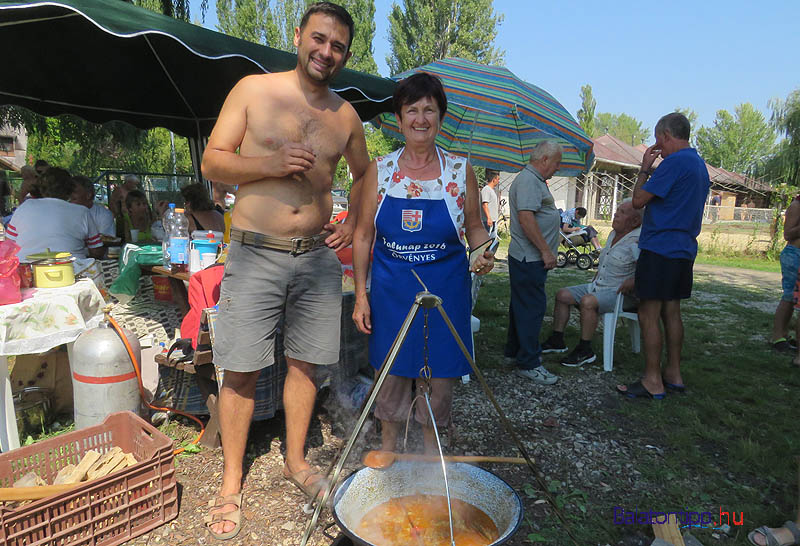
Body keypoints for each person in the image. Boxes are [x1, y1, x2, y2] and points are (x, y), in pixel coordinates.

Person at [199, 2, 370, 539]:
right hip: (255, 250)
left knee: (305, 366)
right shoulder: (254, 90)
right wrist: (267, 164)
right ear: (298, 37)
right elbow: (212, 160)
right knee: (243, 367)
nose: (326, 52)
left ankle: (297, 461)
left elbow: (366, 175)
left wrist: (353, 225)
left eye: (337, 46)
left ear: (344, 54)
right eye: (318, 39)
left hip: (317, 258)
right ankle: (231, 485)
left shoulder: (345, 117)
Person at [352, 73, 494, 455]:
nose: (420, 118)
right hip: (391, 295)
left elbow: (476, 228)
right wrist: (361, 297)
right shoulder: (379, 172)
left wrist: (483, 252)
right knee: (392, 378)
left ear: (440, 118)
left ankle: (433, 460)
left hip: (445, 294)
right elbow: (364, 235)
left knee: (438, 381)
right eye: (411, 109)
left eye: (429, 109)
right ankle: (388, 451)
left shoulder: (459, 171)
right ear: (399, 120)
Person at [618, 112, 709, 399]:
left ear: (666, 136)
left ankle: (652, 380)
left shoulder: (674, 163)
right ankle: (674, 373)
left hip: (660, 247)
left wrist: (645, 167)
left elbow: (638, 201)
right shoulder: (698, 164)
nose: (659, 148)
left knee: (649, 311)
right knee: (672, 310)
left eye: (659, 141)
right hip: (684, 248)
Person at [541, 200, 643, 367]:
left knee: (588, 301)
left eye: (622, 212)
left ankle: (585, 349)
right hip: (599, 287)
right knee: (563, 295)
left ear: (635, 221)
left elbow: (647, 269)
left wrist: (634, 281)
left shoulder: (638, 239)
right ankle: (557, 340)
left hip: (620, 294)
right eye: (617, 210)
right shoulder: (613, 233)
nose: (616, 214)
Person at [505, 141, 563, 385]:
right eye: (557, 162)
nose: (557, 168)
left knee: (521, 305)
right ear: (545, 159)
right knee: (532, 308)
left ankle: (515, 352)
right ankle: (529, 362)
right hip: (530, 256)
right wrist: (546, 251)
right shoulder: (529, 180)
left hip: (526, 256)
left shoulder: (532, 180)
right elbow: (526, 218)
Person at [6, 167, 103, 259]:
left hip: (27, 269)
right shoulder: (82, 212)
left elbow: (9, 244)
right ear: (69, 190)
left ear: (41, 188)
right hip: (72, 268)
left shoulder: (25, 207)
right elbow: (97, 251)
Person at [771, 195, 800, 353]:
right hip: (794, 254)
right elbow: (788, 234)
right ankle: (778, 336)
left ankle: (793, 336)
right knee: (790, 296)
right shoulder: (796, 205)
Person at [480, 169, 500, 233]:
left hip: (493, 220)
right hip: (487, 221)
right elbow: (485, 204)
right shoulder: (486, 189)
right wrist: (489, 218)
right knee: (487, 240)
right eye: (498, 179)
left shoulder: (492, 190)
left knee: (492, 240)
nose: (498, 181)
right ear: (494, 179)